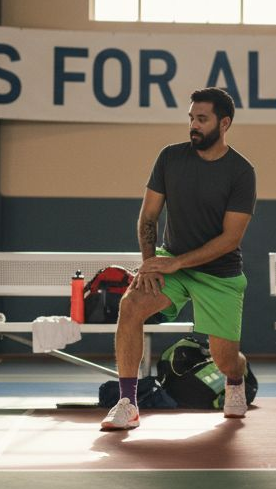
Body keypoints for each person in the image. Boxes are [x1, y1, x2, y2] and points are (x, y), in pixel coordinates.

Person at [102, 87, 256, 431]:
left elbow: (231, 238)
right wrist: (150, 263)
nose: (193, 125)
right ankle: (128, 403)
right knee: (131, 306)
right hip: (172, 263)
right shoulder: (170, 158)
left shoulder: (241, 172)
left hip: (219, 274)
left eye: (202, 119)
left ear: (224, 123)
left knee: (225, 359)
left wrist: (175, 262)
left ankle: (236, 380)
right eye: (191, 118)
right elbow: (148, 218)